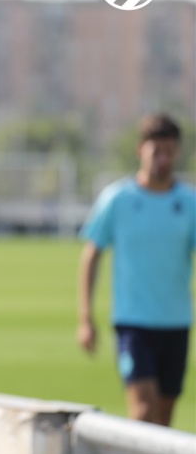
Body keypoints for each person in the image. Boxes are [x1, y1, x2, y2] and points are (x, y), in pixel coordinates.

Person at [78, 113, 195, 427]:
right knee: (143, 410)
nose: (163, 159)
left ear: (177, 152)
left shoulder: (189, 203)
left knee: (164, 419)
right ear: (140, 150)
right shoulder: (118, 199)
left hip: (176, 323)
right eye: (156, 151)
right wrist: (86, 318)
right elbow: (92, 254)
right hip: (133, 324)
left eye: (169, 151)